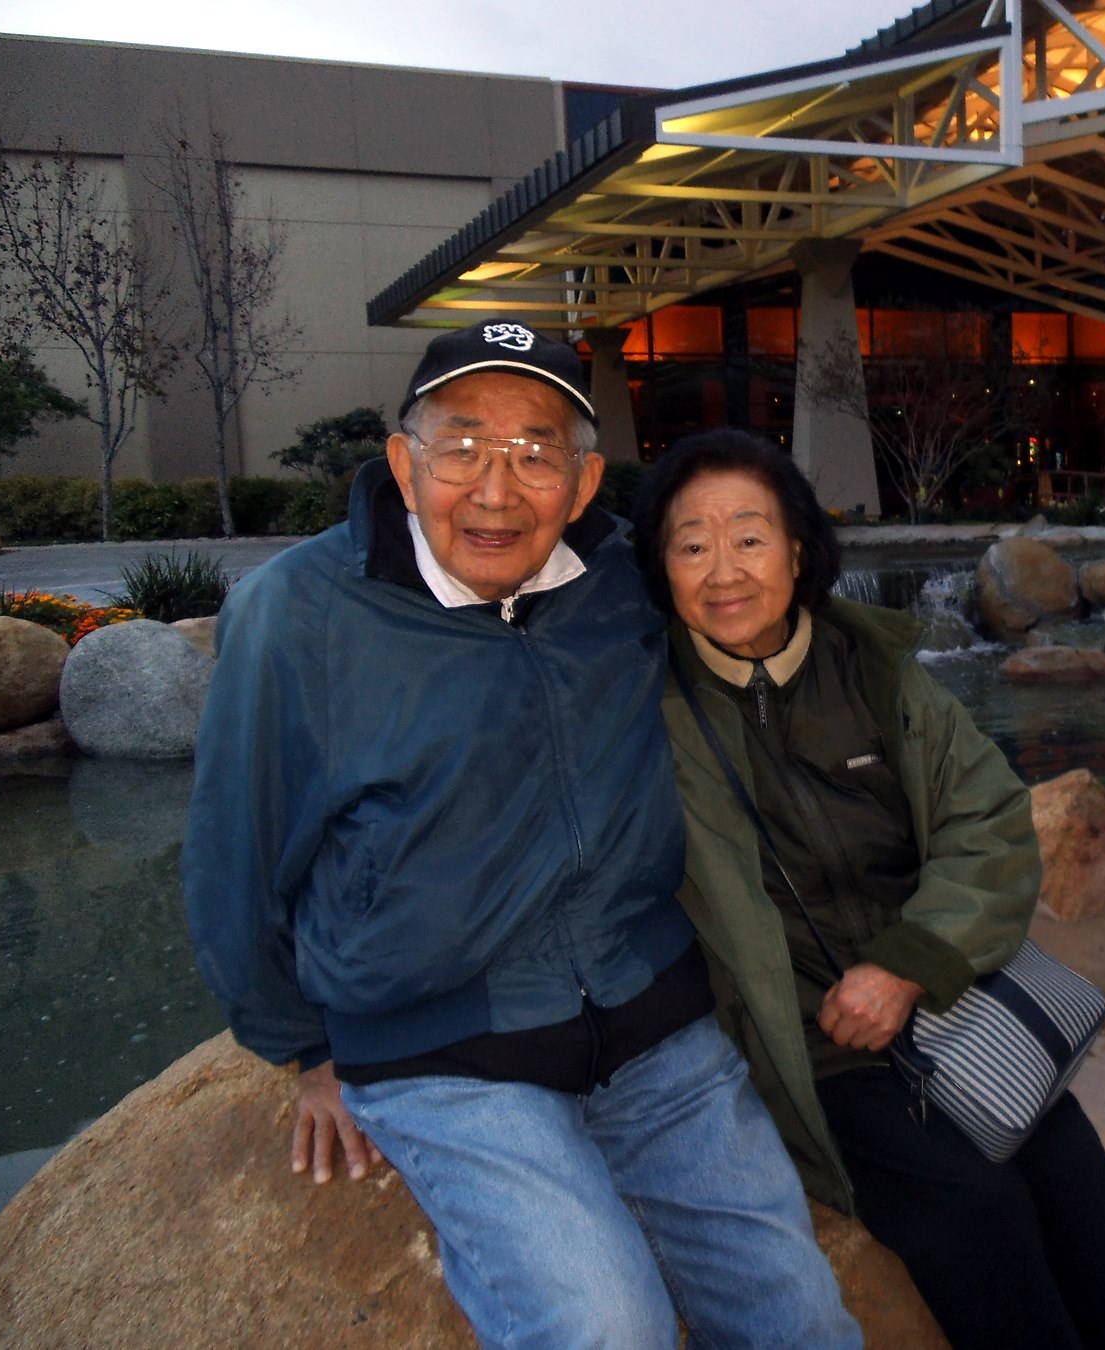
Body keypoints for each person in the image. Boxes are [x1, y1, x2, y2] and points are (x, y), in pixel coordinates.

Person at [182, 322, 859, 1350]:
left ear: (584, 485)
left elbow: (770, 625)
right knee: (605, 1326)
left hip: (654, 1024)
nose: (497, 490)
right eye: (462, 447)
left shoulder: (623, 580)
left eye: (537, 453)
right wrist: (307, 1050)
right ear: (404, 462)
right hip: (444, 1052)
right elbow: (234, 860)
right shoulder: (299, 617)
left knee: (801, 1316)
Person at [631, 429, 1105, 1350]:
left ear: (799, 552)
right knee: (974, 1207)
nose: (724, 569)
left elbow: (989, 822)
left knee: (1069, 1165)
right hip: (810, 1043)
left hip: (941, 994)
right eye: (692, 543)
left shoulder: (874, 670)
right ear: (662, 566)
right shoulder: (646, 707)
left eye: (750, 537)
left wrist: (908, 964)